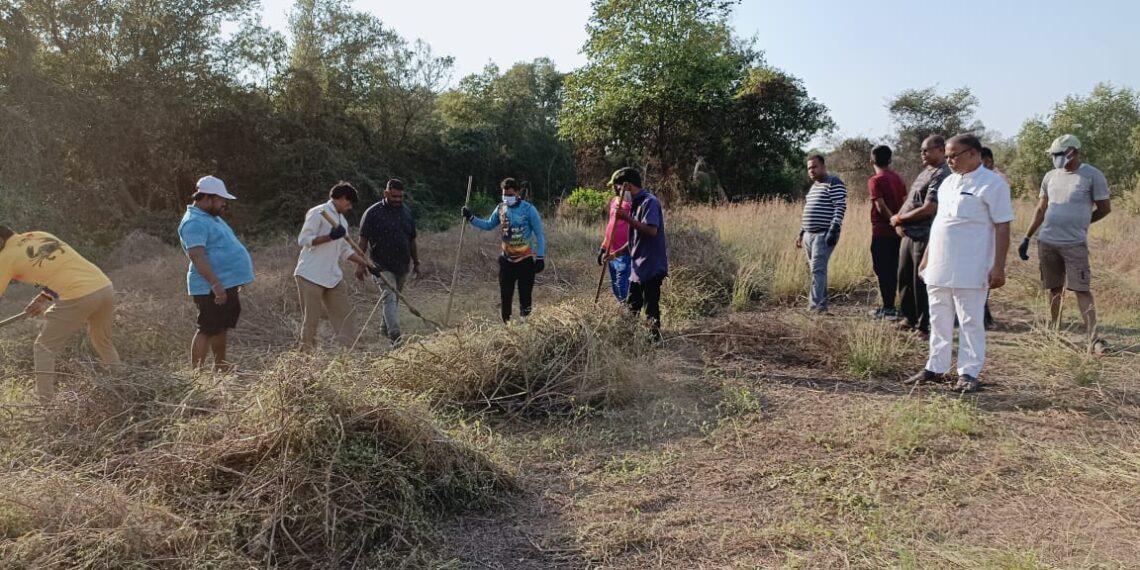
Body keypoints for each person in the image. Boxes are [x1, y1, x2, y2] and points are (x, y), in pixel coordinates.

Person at [908, 134, 1014, 393]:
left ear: (973, 154)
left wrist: (999, 266)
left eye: (954, 155)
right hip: (939, 265)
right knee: (938, 318)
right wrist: (927, 256)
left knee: (970, 321)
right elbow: (940, 223)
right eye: (947, 156)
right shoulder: (947, 184)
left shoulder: (993, 184)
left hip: (972, 266)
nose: (949, 160)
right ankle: (936, 366)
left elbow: (1002, 226)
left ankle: (968, 372)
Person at [0, 226, 120, 400]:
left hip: (80, 296)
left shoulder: (5, 257)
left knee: (43, 348)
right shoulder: (40, 235)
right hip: (104, 287)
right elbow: (60, 269)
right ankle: (122, 385)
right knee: (102, 341)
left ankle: (46, 406)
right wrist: (42, 298)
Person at [1019, 134, 1111, 354]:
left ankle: (1092, 337)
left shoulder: (1091, 176)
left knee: (1082, 289)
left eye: (1060, 154)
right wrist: (1026, 237)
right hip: (1047, 242)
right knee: (1054, 289)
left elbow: (1105, 208)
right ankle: (1054, 331)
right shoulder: (1050, 176)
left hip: (1074, 243)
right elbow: (1041, 209)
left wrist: (1082, 222)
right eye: (1054, 154)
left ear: (1074, 152)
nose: (1056, 158)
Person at [178, 175, 255, 371]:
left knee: (221, 327)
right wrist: (216, 285)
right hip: (210, 287)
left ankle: (220, 365)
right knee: (207, 329)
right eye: (221, 200)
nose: (224, 204)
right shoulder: (193, 222)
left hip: (225, 284)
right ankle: (196, 375)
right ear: (207, 198)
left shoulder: (211, 218)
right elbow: (197, 256)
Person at [294, 181, 369, 350]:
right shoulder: (318, 212)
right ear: (342, 198)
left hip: (332, 276)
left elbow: (345, 251)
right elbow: (303, 240)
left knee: (344, 315)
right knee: (311, 321)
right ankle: (305, 358)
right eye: (348, 203)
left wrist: (365, 263)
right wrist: (330, 236)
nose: (349, 207)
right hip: (310, 275)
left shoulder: (342, 221)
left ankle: (350, 352)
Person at [890, 135, 950, 339]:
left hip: (925, 235)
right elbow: (912, 200)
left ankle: (924, 326)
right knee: (904, 276)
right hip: (909, 233)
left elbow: (929, 208)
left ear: (941, 150)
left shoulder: (942, 174)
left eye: (927, 150)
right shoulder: (926, 172)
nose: (922, 154)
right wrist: (901, 221)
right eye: (921, 150)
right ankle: (909, 318)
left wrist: (900, 218)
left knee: (920, 281)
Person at [463, 178, 546, 323]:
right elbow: (488, 225)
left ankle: (525, 328)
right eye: (504, 194)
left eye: (510, 194)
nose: (506, 197)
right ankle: (506, 328)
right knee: (505, 297)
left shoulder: (529, 210)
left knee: (525, 298)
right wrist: (471, 218)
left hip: (525, 262)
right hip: (506, 261)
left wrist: (540, 257)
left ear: (517, 193)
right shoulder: (501, 208)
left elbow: (539, 234)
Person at [608, 167, 668, 339]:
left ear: (627, 186)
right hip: (637, 268)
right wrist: (614, 254)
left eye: (619, 188)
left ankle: (654, 343)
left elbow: (651, 231)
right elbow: (634, 240)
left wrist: (626, 218)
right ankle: (629, 340)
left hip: (651, 266)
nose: (617, 193)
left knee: (651, 308)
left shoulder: (650, 202)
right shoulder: (634, 204)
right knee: (631, 307)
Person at [358, 179, 421, 344]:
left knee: (395, 298)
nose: (398, 200)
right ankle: (396, 337)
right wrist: (360, 263)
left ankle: (384, 329)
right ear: (386, 193)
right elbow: (362, 241)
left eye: (401, 197)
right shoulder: (372, 213)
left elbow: (412, 240)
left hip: (402, 265)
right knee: (389, 295)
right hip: (380, 265)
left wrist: (416, 262)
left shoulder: (407, 212)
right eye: (394, 196)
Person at [795, 154, 846, 313]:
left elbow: (840, 207)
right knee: (817, 270)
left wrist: (834, 228)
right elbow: (808, 210)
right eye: (809, 168)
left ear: (823, 166)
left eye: (814, 167)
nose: (811, 170)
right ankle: (821, 306)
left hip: (824, 233)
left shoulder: (834, 182)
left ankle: (814, 308)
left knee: (817, 269)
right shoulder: (814, 187)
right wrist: (801, 232)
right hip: (809, 235)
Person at [867, 145, 908, 319]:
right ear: (890, 160)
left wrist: (894, 221)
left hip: (883, 231)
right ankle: (897, 306)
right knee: (894, 269)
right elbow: (906, 201)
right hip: (899, 234)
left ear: (871, 161)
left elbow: (880, 205)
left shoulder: (875, 180)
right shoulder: (898, 179)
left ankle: (889, 308)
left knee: (883, 270)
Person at [979, 146, 1009, 329]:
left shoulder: (997, 181)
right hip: (979, 239)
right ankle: (985, 317)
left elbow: (1002, 221)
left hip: (990, 239)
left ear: (988, 162)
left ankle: (983, 318)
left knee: (984, 279)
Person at [596, 173, 633, 303]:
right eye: (615, 185)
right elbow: (610, 227)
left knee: (622, 285)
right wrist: (603, 247)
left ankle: (630, 311)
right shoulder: (614, 202)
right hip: (610, 251)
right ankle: (624, 308)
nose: (616, 188)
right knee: (615, 287)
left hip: (624, 252)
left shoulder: (633, 205)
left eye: (619, 185)